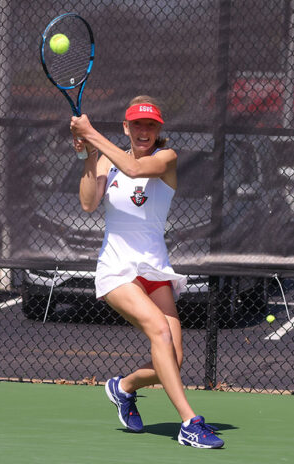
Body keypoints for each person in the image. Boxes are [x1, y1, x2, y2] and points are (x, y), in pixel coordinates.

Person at [70, 95, 224, 449]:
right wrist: (89, 155)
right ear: (126, 127)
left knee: (175, 358)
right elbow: (88, 203)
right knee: (159, 331)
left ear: (158, 130)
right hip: (116, 269)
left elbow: (135, 170)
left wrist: (91, 133)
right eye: (137, 124)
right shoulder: (108, 159)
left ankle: (122, 388)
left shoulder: (165, 158)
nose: (144, 131)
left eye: (150, 125)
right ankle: (190, 423)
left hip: (155, 268)